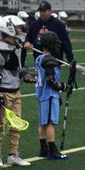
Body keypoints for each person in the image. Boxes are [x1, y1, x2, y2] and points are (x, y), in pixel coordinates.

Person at [0, 16, 30, 168]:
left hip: (16, 89)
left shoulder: (17, 46)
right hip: (4, 91)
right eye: (18, 27)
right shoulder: (0, 47)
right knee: (0, 124)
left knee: (16, 123)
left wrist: (25, 74)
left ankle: (13, 154)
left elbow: (18, 67)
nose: (21, 30)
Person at [34, 30, 69, 159]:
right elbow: (51, 81)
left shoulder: (39, 58)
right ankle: (53, 151)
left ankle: (43, 149)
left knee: (43, 123)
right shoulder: (48, 60)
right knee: (50, 123)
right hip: (49, 95)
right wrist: (64, 87)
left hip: (42, 94)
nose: (57, 46)